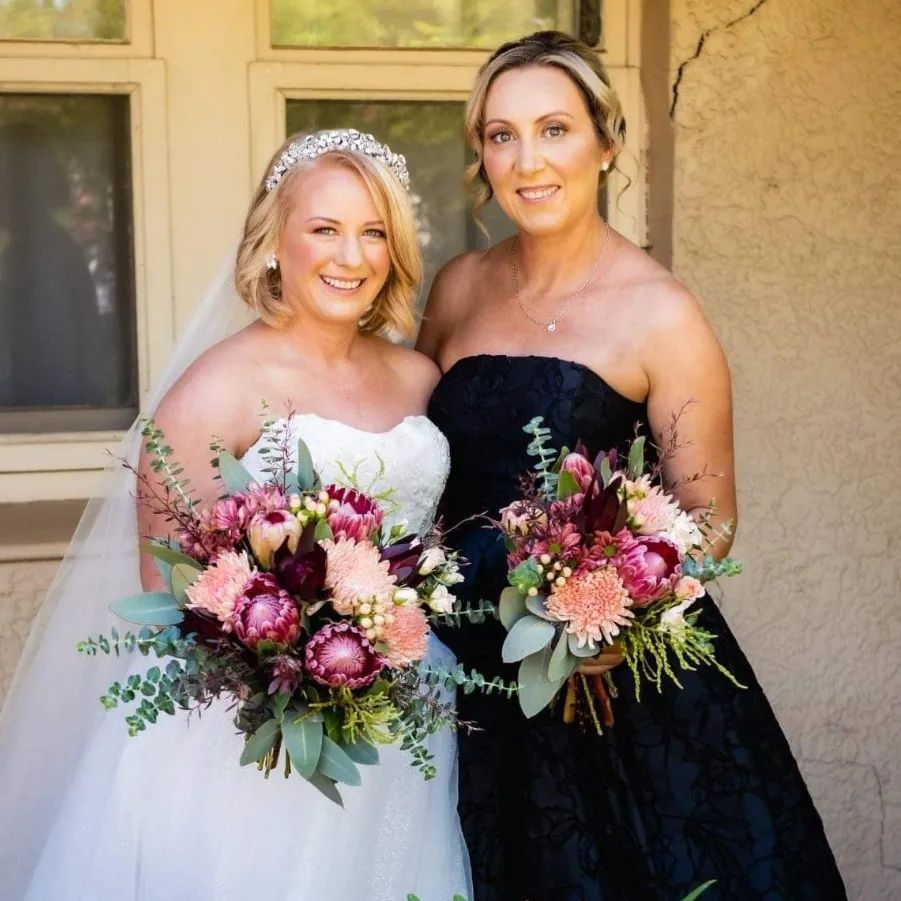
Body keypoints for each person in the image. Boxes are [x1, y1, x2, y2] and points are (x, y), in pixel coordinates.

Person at [419, 31, 845, 901]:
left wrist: (607, 620)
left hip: (593, 675)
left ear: (604, 142)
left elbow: (708, 517)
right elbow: (417, 450)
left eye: (553, 130)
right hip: (456, 656)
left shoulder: (661, 313)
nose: (526, 161)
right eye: (500, 136)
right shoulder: (457, 287)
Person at [0, 129, 471, 901]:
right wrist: (299, 651)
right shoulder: (217, 389)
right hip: (254, 743)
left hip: (403, 718)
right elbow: (170, 594)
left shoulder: (418, 377)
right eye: (324, 228)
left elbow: (432, 547)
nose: (350, 256)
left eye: (373, 231)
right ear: (274, 240)